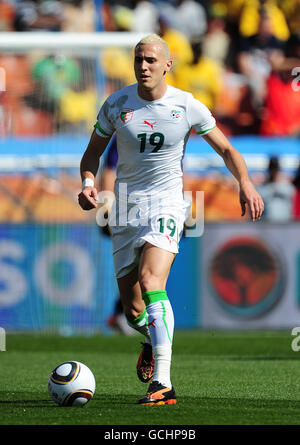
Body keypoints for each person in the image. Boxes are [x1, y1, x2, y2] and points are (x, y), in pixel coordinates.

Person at [78, 34, 264, 405]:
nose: (143, 67)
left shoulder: (187, 106)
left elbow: (227, 149)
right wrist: (87, 184)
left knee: (151, 281)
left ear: (167, 65)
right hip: (126, 209)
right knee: (132, 313)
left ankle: (162, 382)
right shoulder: (117, 105)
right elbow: (91, 155)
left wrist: (245, 182)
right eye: (138, 60)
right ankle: (149, 339)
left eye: (150, 60)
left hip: (167, 204)